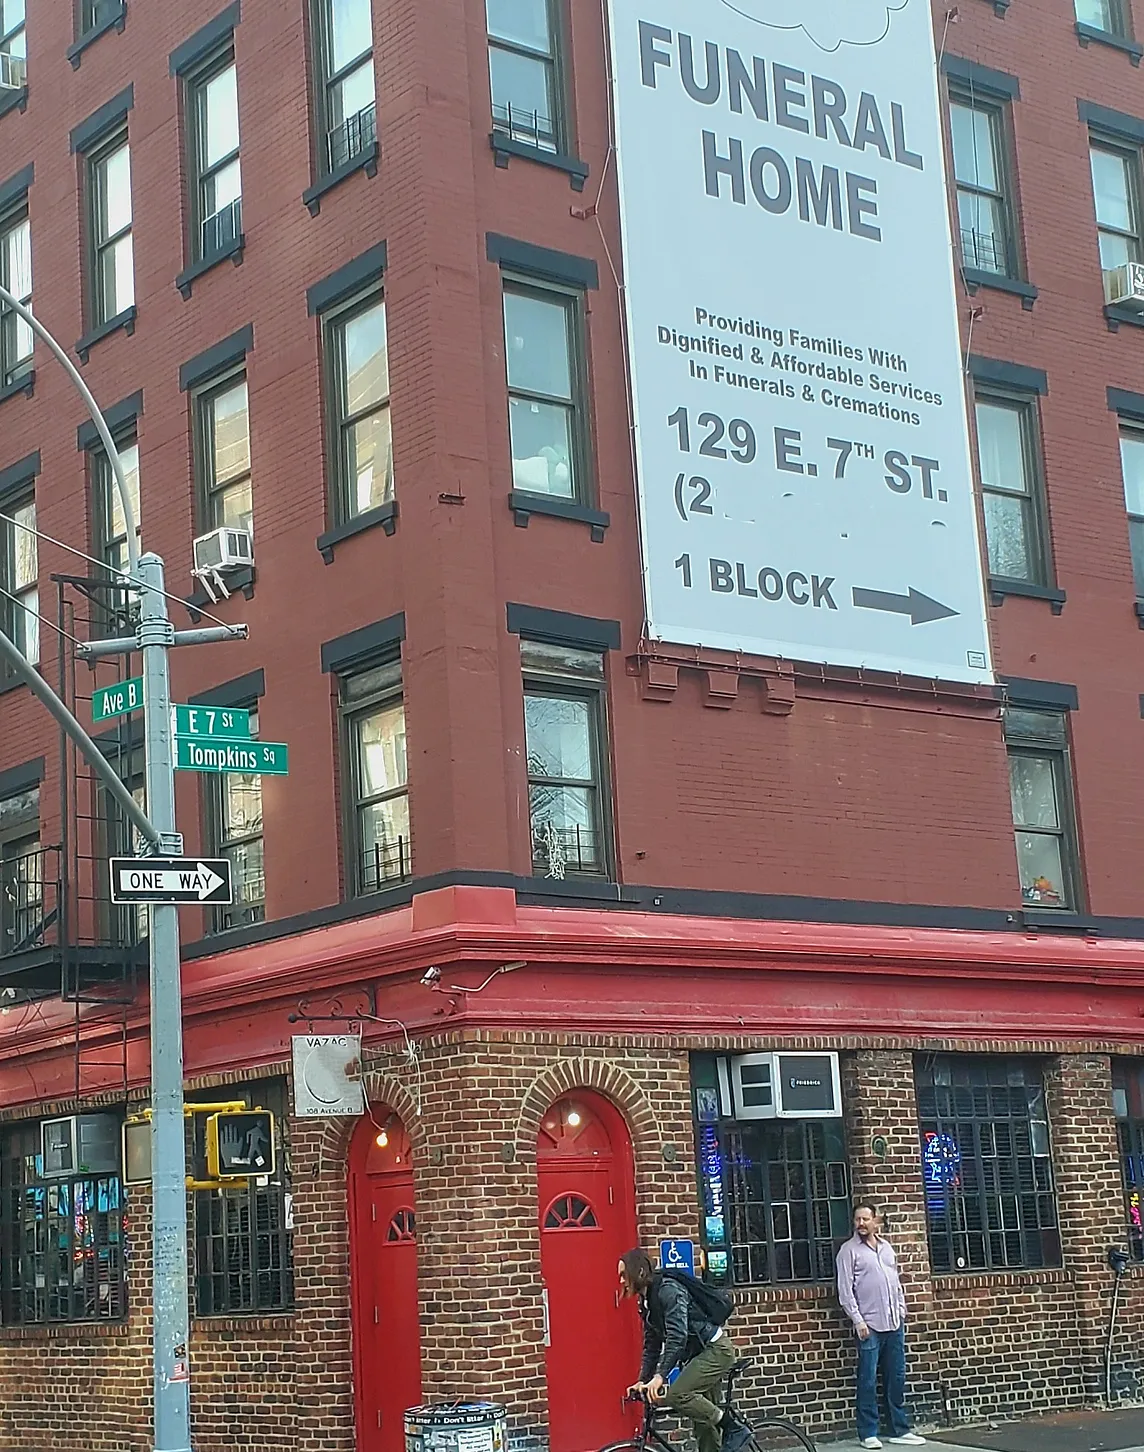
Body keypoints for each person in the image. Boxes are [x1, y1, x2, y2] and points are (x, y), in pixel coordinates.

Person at [619, 1247, 751, 1452]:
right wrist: (643, 1380)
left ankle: (733, 1428)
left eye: (622, 1274)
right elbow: (652, 1346)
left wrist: (660, 1376)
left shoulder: (668, 1290)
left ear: (639, 1272)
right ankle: (727, 1431)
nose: (620, 1281)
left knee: (678, 1394)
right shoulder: (646, 1302)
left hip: (714, 1350)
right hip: (698, 1355)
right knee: (704, 1427)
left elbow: (677, 1337)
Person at [835, 1203, 926, 1451]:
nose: (861, 1224)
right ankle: (868, 1432)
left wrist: (901, 1310)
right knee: (867, 1379)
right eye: (857, 1220)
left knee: (896, 1377)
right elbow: (845, 1291)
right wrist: (858, 1320)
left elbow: (895, 1283)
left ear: (876, 1221)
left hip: (894, 1322)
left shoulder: (886, 1248)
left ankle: (899, 1429)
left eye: (866, 1219)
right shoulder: (848, 1251)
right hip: (869, 1325)